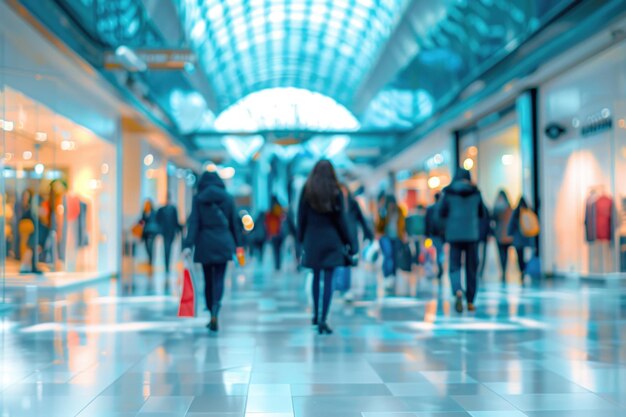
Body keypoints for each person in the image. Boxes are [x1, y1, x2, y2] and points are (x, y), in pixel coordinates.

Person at [297, 160, 353, 335]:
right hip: (331, 240)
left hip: (312, 239)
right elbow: (341, 220)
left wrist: (301, 240)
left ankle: (315, 314)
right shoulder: (335, 191)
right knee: (329, 280)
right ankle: (323, 318)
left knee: (315, 277)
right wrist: (348, 241)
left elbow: (301, 218)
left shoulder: (307, 190)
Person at [183, 171, 243, 332]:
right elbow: (234, 224)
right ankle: (216, 308)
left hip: (205, 243)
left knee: (208, 279)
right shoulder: (228, 198)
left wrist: (188, 244)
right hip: (223, 242)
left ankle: (210, 311)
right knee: (219, 278)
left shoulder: (198, 199)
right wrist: (239, 245)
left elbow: (194, 223)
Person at [440, 168, 487, 313]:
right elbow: (482, 213)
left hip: (454, 235)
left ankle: (458, 291)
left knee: (454, 265)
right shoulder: (476, 193)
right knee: (471, 267)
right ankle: (471, 301)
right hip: (472, 235)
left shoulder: (448, 193)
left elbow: (441, 213)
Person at [336, 183, 374, 300]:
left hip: (351, 237)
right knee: (341, 263)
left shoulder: (353, 204)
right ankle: (341, 287)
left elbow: (361, 219)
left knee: (350, 263)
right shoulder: (336, 204)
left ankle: (348, 288)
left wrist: (368, 234)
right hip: (339, 237)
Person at [375, 195, 407, 291]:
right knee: (388, 255)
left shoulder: (399, 211)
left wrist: (403, 234)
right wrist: (378, 233)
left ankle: (393, 275)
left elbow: (402, 224)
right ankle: (387, 275)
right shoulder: (384, 211)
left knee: (395, 257)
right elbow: (379, 224)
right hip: (386, 237)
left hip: (397, 237)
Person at [508, 196, 536, 279]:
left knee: (520, 256)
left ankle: (522, 270)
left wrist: (509, 234)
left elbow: (511, 224)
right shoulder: (529, 211)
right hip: (527, 238)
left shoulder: (516, 212)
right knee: (526, 256)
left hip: (518, 240)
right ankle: (524, 269)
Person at [156, 194, 182, 276]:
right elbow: (158, 221)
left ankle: (167, 264)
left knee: (169, 248)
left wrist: (178, 231)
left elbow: (176, 221)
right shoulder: (161, 210)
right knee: (166, 248)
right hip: (165, 232)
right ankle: (166, 265)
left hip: (171, 232)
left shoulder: (173, 209)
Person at [492, 190, 514, 283]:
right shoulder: (509, 208)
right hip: (507, 234)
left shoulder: (497, 208)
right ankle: (504, 270)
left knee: (502, 254)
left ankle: (503, 270)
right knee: (505, 254)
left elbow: (492, 219)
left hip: (500, 234)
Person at [425, 192, 445, 281]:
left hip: (432, 234)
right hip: (441, 235)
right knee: (439, 251)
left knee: (431, 251)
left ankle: (433, 267)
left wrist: (426, 234)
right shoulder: (443, 208)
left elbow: (426, 222)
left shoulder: (430, 209)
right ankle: (439, 265)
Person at [265, 197, 286, 271]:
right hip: (280, 233)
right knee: (279, 250)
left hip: (273, 234)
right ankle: (279, 265)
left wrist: (269, 234)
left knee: (275, 250)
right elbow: (282, 218)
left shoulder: (269, 212)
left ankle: (276, 266)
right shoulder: (279, 209)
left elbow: (267, 224)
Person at [140, 199, 159, 270]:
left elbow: (157, 221)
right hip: (146, 232)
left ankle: (151, 259)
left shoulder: (154, 212)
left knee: (151, 245)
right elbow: (142, 221)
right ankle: (149, 257)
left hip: (152, 232)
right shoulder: (144, 212)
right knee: (146, 246)